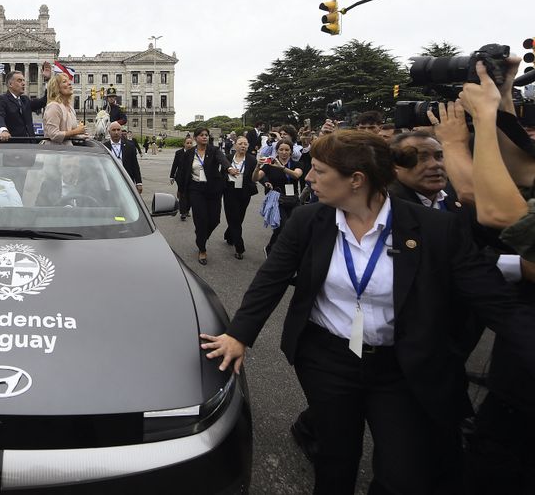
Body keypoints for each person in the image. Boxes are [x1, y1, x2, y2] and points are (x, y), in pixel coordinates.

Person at [200, 129, 535, 494]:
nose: (309, 176)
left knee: (403, 472)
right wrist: (238, 335)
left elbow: (495, 302)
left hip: (401, 367)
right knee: (334, 458)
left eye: (320, 171)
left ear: (356, 180)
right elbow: (270, 280)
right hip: (327, 360)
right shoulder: (309, 221)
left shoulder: (436, 228)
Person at [176, 127, 234, 265]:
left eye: (206, 135)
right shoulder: (189, 153)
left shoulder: (214, 151)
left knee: (215, 220)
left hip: (213, 189)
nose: (204, 137)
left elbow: (223, 161)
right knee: (201, 219)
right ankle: (202, 249)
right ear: (196, 137)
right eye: (201, 135)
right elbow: (182, 172)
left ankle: (200, 236)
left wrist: (230, 168)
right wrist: (181, 189)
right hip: (196, 189)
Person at [254, 140, 304, 255]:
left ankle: (285, 250)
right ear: (277, 151)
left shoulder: (297, 164)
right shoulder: (270, 165)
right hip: (277, 201)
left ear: (291, 151)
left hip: (293, 200)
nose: (284, 152)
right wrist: (257, 167)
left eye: (287, 150)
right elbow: (255, 178)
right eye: (281, 149)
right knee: (282, 226)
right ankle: (271, 249)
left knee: (295, 227)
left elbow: (297, 175)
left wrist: (281, 167)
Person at [0, 63, 52, 140]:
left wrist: (48, 80)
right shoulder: (1, 99)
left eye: (23, 80)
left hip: (29, 146)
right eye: (19, 81)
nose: (24, 83)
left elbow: (44, 101)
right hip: (11, 146)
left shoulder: (25, 100)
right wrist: (3, 130)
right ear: (10, 84)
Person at [222, 136, 258, 259]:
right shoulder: (227, 158)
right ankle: (239, 247)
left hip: (244, 191)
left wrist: (266, 182)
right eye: (240, 143)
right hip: (229, 190)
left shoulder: (252, 160)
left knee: (238, 218)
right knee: (232, 217)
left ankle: (229, 234)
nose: (243, 146)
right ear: (235, 145)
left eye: (245, 144)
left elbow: (257, 174)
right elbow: (222, 172)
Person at [42, 73, 85, 145]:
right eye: (64, 81)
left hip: (68, 151)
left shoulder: (70, 108)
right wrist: (76, 132)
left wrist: (83, 135)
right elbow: (54, 135)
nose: (69, 83)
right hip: (54, 152)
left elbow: (70, 133)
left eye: (69, 81)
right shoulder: (54, 106)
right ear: (56, 87)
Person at [106, 122, 143, 195]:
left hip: (126, 180)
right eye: (113, 130)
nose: (116, 132)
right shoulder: (104, 146)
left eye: (118, 130)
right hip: (109, 181)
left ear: (121, 131)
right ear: (109, 132)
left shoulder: (130, 146)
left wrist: (139, 182)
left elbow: (135, 165)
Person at [169, 135, 194, 221]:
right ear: (184, 144)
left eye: (191, 143)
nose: (189, 145)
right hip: (180, 177)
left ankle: (186, 210)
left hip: (191, 177)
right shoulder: (179, 153)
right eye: (187, 143)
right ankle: (182, 212)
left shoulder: (195, 153)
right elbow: (174, 164)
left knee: (190, 195)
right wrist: (171, 176)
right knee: (183, 194)